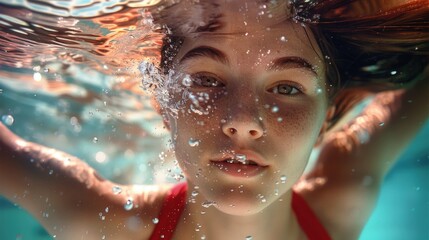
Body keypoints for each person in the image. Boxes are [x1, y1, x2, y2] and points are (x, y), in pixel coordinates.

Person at [0, 0, 428, 239]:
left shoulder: (344, 201)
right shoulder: (96, 223)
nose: (243, 121)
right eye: (206, 80)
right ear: (163, 103)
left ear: (326, 119)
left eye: (286, 87)